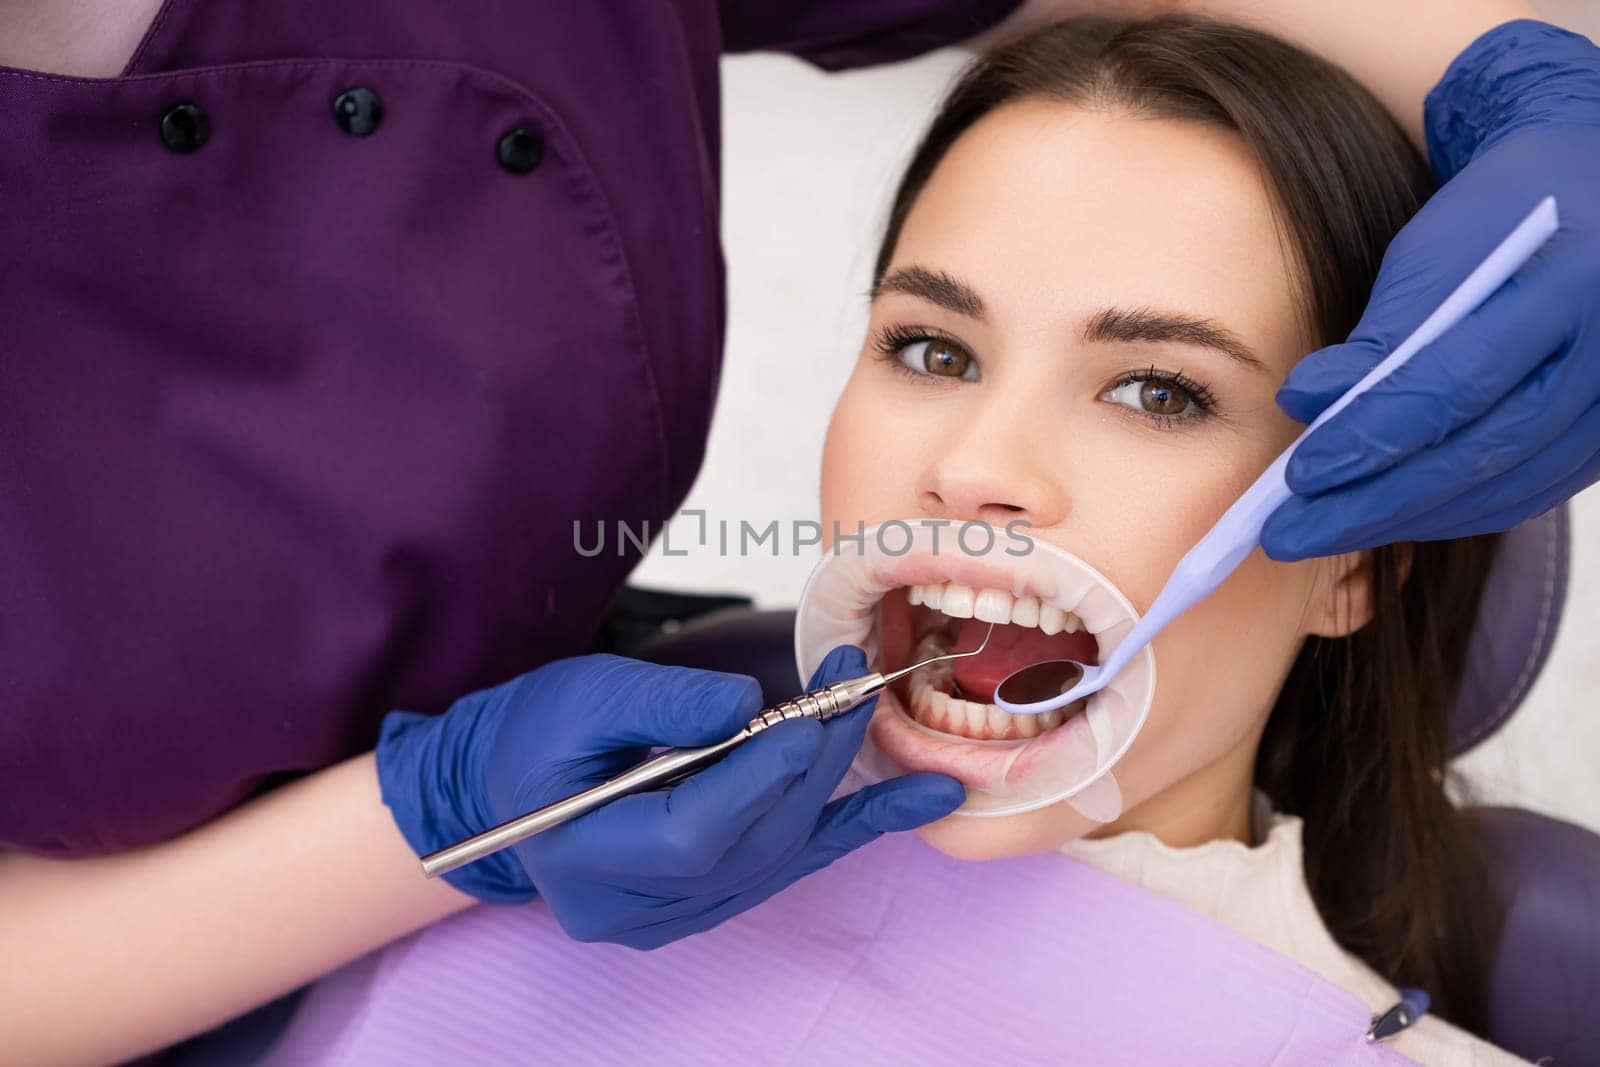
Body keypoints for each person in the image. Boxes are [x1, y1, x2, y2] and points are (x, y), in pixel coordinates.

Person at [0, 1, 1594, 1062]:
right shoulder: (450, 898)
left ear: (1356, 557)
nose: (974, 463)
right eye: (931, 348)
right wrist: (420, 832)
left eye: (1162, 392)